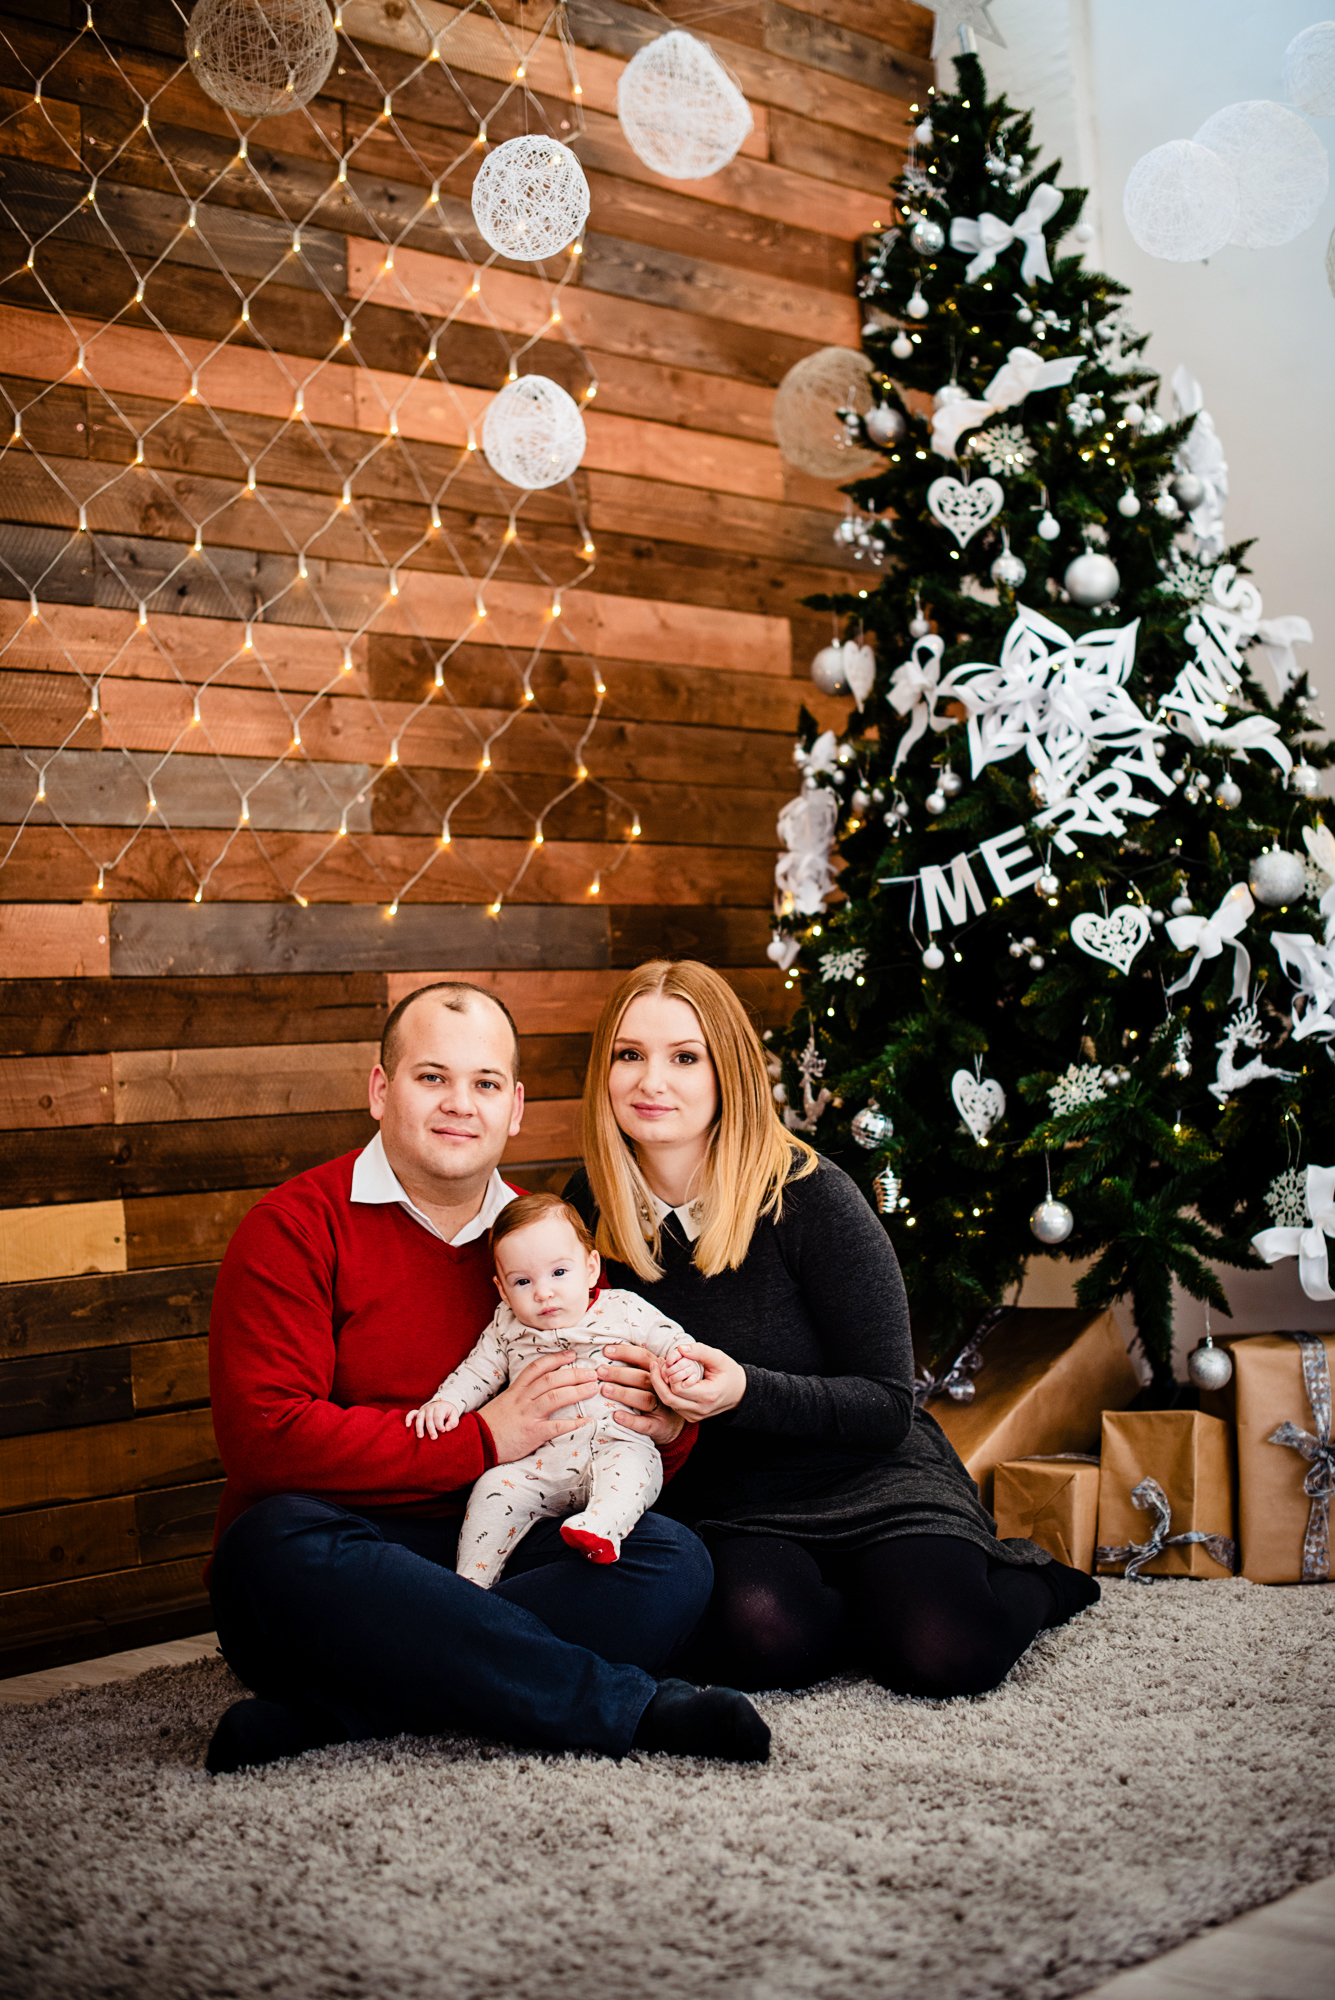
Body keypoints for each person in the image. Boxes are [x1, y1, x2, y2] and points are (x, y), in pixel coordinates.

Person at [204, 979, 770, 1774]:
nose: (458, 1104)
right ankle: (625, 1706)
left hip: (501, 1542)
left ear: (514, 1108)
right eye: (431, 1076)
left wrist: (666, 1429)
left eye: (485, 1083)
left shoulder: (543, 1245)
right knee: (271, 1546)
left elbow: (614, 1422)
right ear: (380, 1089)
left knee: (670, 1560)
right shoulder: (294, 1229)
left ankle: (346, 1708)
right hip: (349, 1547)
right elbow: (263, 1442)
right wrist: (482, 1438)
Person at [568, 960, 1101, 1700]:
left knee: (945, 1653)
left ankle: (1033, 1583)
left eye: (684, 1057)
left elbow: (886, 1406)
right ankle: (868, 1607)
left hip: (868, 1470)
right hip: (733, 1495)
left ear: (729, 1073)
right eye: (630, 1055)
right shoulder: (588, 1203)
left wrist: (743, 1392)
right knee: (762, 1637)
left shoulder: (811, 1195)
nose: (650, 1082)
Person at [404, 1191, 703, 1581]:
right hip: (540, 1461)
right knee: (495, 1488)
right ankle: (472, 1580)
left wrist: (685, 1364)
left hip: (617, 1441)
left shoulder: (623, 1309)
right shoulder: (506, 1328)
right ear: (502, 1290)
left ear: (591, 1268)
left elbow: (671, 1339)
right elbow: (478, 1371)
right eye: (523, 1281)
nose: (543, 1293)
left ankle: (601, 1525)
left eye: (559, 1273)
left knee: (636, 1468)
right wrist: (447, 1402)